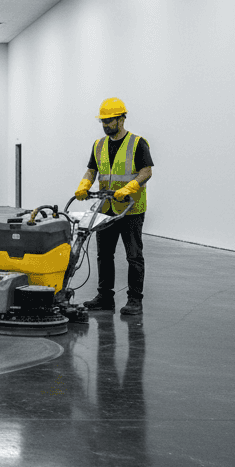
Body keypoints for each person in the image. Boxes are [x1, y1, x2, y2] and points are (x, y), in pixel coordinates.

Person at [74, 98, 153, 316]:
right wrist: (84, 185)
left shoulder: (138, 143)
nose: (106, 125)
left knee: (133, 255)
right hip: (106, 208)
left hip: (131, 209)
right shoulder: (99, 145)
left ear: (121, 119)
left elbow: (146, 171)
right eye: (103, 122)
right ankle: (105, 297)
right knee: (104, 254)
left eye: (110, 121)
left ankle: (135, 300)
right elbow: (92, 170)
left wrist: (129, 188)